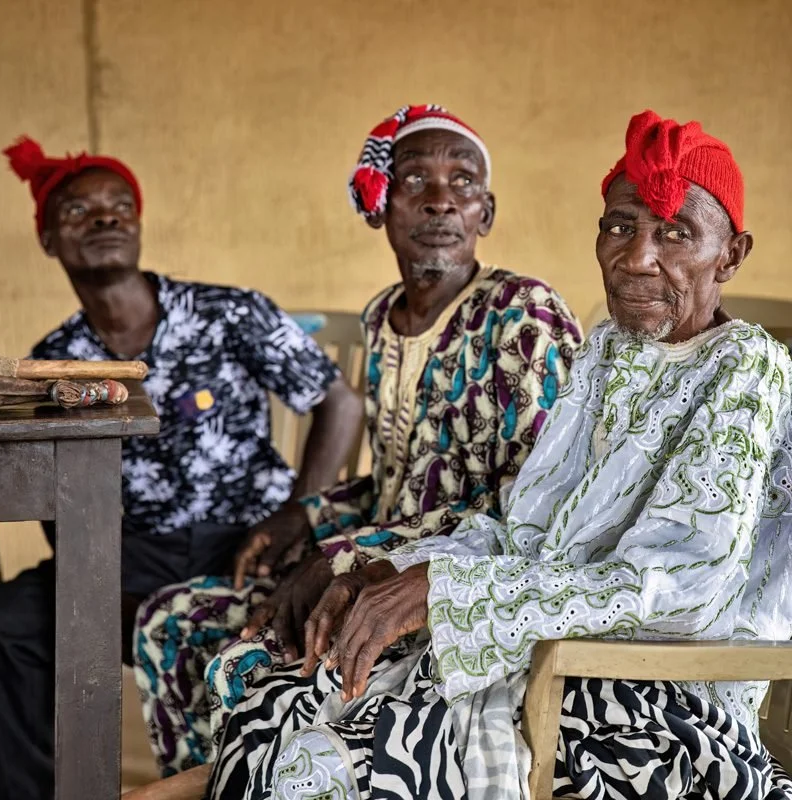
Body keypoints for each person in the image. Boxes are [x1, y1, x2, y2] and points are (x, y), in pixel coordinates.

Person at [206, 109, 792, 800]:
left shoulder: (745, 369)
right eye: (619, 226)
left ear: (732, 254)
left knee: (339, 762)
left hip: (650, 698)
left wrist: (444, 594)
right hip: (552, 651)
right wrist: (398, 568)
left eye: (675, 233)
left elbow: (679, 591)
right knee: (269, 699)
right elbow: (526, 530)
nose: (637, 256)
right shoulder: (608, 351)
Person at [133, 104, 583, 777]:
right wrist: (306, 518)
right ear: (380, 206)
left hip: (453, 593)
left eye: (462, 183)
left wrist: (339, 559)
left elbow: (528, 514)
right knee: (170, 623)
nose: (440, 201)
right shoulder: (382, 318)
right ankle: (217, 784)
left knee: (249, 661)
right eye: (415, 181)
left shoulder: (522, 316)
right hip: (372, 565)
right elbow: (395, 484)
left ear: (486, 214)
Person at [0, 137, 363, 800]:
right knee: (8, 624)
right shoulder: (58, 358)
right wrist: (93, 574)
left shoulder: (226, 312)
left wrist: (298, 512)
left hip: (249, 543)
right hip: (125, 555)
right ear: (48, 239)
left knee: (258, 632)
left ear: (137, 224)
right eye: (79, 211)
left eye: (119, 206)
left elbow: (337, 401)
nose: (105, 218)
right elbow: (58, 487)